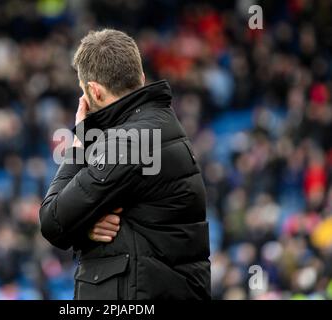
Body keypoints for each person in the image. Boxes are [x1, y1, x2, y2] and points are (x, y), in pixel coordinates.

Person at [39, 29, 211, 300]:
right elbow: (141, 228)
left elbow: (53, 221)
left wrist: (78, 144)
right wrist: (84, 229)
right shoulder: (159, 124)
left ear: (94, 92)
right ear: (141, 78)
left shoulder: (130, 141)